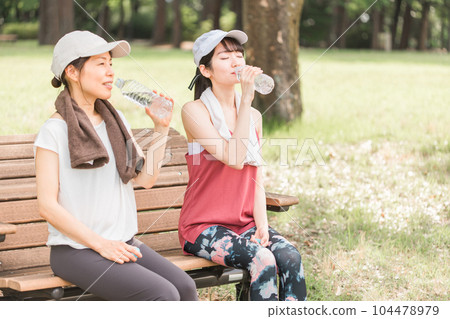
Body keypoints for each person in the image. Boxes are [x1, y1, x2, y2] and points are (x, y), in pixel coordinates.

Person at [34, 30, 198, 301]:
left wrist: (161, 128)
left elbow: (145, 179)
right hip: (75, 250)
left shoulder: (115, 120)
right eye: (100, 63)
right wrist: (101, 245)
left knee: (185, 288)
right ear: (72, 72)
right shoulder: (54, 130)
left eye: (111, 64)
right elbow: (47, 206)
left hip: (122, 242)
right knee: (162, 295)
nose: (110, 72)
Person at [179, 29, 307, 301]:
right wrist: (247, 99)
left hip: (244, 224)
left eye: (239, 55)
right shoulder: (195, 112)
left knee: (290, 256)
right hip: (202, 228)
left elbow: (255, 176)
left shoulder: (254, 117)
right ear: (205, 70)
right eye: (225, 57)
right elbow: (235, 159)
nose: (236, 61)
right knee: (262, 259)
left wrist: (262, 224)